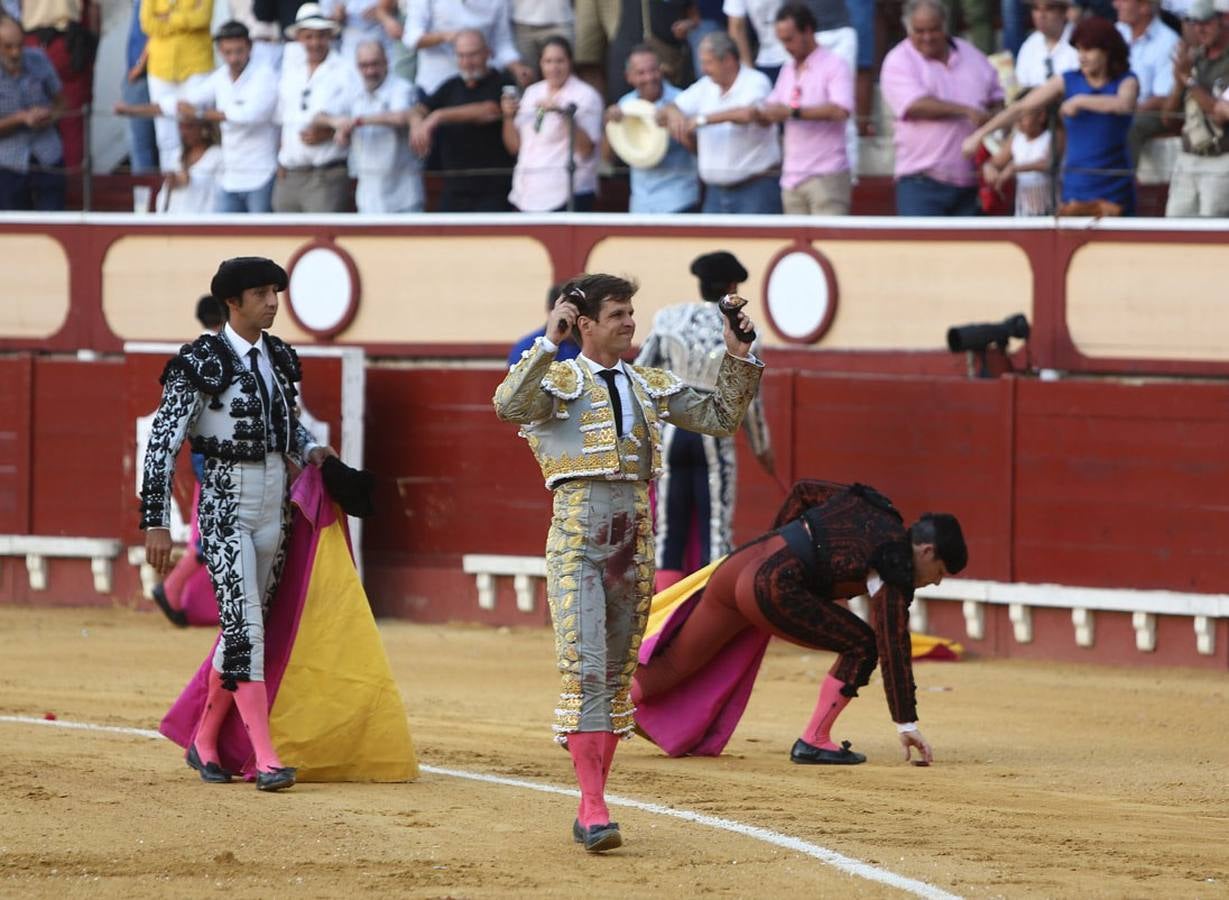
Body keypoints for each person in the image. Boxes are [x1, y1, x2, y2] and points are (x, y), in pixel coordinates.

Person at [492, 272, 764, 852]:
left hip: (633, 540)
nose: (630, 322)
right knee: (588, 667)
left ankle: (593, 793)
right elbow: (508, 404)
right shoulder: (558, 377)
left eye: (631, 312)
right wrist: (549, 338)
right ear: (585, 323)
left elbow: (720, 417)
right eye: (617, 314)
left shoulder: (648, 383)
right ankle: (593, 807)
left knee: (616, 676)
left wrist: (739, 356)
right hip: (578, 538)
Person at [140, 255, 336, 792]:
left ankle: (205, 739)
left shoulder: (279, 356)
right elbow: (162, 443)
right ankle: (266, 757)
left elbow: (287, 427)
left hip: (274, 506)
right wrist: (156, 520)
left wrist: (315, 451)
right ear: (233, 303)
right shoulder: (199, 361)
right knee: (246, 626)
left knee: (245, 629)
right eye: (262, 294)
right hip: (225, 505)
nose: (273, 302)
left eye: (276, 291)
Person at [632, 480, 968, 766]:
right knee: (863, 644)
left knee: (673, 665)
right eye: (939, 572)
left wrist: (776, 540)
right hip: (775, 585)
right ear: (926, 551)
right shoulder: (896, 563)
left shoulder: (872, 505)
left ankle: (588, 716)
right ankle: (814, 739)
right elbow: (891, 644)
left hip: (740, 564)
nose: (935, 582)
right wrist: (905, 722)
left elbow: (803, 490)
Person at [634, 251, 773, 593]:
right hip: (714, 431)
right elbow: (749, 400)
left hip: (670, 430)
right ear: (732, 287)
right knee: (715, 528)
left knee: (668, 529)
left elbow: (639, 374)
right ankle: (706, 610)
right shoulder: (742, 331)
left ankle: (665, 614)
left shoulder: (669, 319)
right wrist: (762, 449)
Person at [963, 15, 1138, 216]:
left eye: (1088, 50)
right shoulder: (1067, 80)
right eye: (1079, 49)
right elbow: (1021, 108)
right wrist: (979, 135)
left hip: (1114, 184)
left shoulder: (1126, 80)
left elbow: (1124, 104)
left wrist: (1080, 101)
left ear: (1107, 51)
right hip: (1076, 185)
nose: (1082, 56)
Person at [115, 20, 281, 213]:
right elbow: (178, 104)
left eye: (239, 51)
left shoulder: (264, 76)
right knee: (223, 237)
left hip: (260, 175)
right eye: (228, 52)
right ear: (220, 50)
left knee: (259, 238)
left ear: (249, 48)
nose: (234, 58)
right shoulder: (221, 77)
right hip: (231, 178)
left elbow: (249, 115)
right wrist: (131, 110)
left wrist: (200, 113)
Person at [879, 0, 1003, 216]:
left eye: (934, 29)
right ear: (908, 29)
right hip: (921, 182)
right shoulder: (898, 60)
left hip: (970, 181)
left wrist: (993, 116)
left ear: (945, 25)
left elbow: (999, 97)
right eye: (919, 31)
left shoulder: (973, 56)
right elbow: (915, 105)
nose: (927, 37)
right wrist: (966, 111)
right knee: (920, 249)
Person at [662, 30, 782, 214]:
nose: (703, 69)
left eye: (708, 62)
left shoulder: (755, 81)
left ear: (727, 60)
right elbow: (670, 107)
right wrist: (675, 115)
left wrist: (703, 119)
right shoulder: (706, 85)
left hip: (755, 188)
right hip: (715, 192)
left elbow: (747, 114)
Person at [758, 3, 855, 215]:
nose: (786, 46)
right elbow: (773, 105)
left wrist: (793, 112)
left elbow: (841, 110)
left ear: (808, 31)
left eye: (790, 39)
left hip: (826, 174)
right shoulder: (788, 69)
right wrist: (763, 114)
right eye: (782, 40)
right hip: (792, 176)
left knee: (829, 246)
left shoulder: (835, 65)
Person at [410, 29, 516, 212]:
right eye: (461, 56)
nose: (467, 62)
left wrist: (438, 116)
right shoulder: (451, 85)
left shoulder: (502, 81)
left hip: (493, 192)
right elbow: (419, 108)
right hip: (454, 191)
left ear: (487, 53)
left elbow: (489, 110)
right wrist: (416, 123)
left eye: (473, 55)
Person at [501, 35, 603, 212]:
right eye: (548, 61)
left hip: (566, 195)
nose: (553, 68)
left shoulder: (586, 95)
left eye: (559, 61)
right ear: (540, 64)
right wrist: (508, 117)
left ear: (570, 62)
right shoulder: (533, 92)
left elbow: (586, 149)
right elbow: (514, 147)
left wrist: (563, 114)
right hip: (525, 194)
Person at [319, 40, 422, 213]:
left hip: (404, 196)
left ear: (386, 62)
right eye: (364, 66)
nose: (370, 71)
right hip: (368, 198)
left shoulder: (401, 87)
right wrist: (339, 124)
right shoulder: (354, 90)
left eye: (375, 64)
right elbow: (318, 116)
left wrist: (358, 121)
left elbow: (401, 117)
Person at [273, 3, 355, 213]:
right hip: (289, 173)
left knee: (322, 240)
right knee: (285, 242)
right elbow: (283, 119)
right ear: (299, 38)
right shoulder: (291, 71)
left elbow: (353, 116)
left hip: (325, 174)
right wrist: (280, 161)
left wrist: (330, 132)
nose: (315, 42)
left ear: (329, 36)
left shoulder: (345, 69)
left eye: (320, 36)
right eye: (309, 36)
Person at [605, 43, 699, 213]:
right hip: (641, 203)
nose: (649, 77)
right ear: (629, 77)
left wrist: (674, 126)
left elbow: (698, 150)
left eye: (653, 70)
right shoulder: (626, 104)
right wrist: (609, 124)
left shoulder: (682, 100)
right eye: (641, 73)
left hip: (679, 198)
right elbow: (607, 157)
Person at [1163, 0, 1229, 216]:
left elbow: (1220, 114)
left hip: (1221, 159)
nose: (1200, 29)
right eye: (1194, 23)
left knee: (1213, 229)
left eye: (1206, 22)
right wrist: (1178, 83)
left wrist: (1189, 81)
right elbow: (1167, 119)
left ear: (1223, 20)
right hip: (1188, 157)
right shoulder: (1192, 60)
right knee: (1174, 227)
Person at [19, 0, 97, 176]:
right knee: (73, 120)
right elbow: (93, 9)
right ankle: (74, 191)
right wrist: (91, 50)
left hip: (31, 41)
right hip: (67, 43)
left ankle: (34, 189)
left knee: (32, 118)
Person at [141, 0, 215, 172]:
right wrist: (185, 20)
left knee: (198, 128)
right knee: (165, 135)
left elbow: (202, 18)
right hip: (160, 68)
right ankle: (173, 184)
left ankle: (202, 187)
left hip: (196, 64)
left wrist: (167, 18)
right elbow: (148, 24)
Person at [0, 16, 65, 211]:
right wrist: (20, 119)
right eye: (8, 47)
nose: (15, 53)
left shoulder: (39, 59)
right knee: (13, 230)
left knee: (54, 223)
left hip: (47, 154)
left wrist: (48, 115)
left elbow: (62, 103)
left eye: (20, 46)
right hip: (8, 162)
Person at [403, 0, 530, 97]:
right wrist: (444, 37)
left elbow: (502, 43)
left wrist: (517, 68)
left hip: (482, 83)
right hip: (436, 84)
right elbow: (411, 38)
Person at [1115, 0, 1180, 166]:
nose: (1116, 4)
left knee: (1131, 124)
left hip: (1150, 111)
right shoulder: (1117, 32)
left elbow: (1163, 97)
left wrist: (1127, 109)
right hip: (1116, 104)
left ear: (1144, 6)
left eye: (1123, 0)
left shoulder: (1168, 41)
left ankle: (1122, 182)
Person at [980, 90, 1058, 215]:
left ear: (1041, 116)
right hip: (1024, 210)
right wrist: (989, 168)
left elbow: (1050, 163)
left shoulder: (1052, 137)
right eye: (1017, 116)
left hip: (1050, 208)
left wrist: (1015, 168)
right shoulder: (1017, 139)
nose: (1019, 121)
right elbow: (995, 162)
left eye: (1024, 116)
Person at [155, 116, 222, 212]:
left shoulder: (217, 155)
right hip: (172, 219)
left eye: (189, 127)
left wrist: (190, 181)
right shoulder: (176, 155)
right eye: (181, 127)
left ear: (204, 129)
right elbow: (163, 195)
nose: (184, 132)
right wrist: (171, 182)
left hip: (202, 220)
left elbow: (219, 192)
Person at [507, 282, 581, 366]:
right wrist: (549, 343)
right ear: (551, 311)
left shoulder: (590, 344)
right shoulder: (527, 348)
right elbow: (519, 378)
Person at [123, 0, 158, 173]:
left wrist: (138, 66)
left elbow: (157, 28)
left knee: (142, 147)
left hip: (145, 75)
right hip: (142, 73)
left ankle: (145, 199)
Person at [1014, 0, 1079, 89]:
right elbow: (1021, 84)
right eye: (1036, 8)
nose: (1041, 15)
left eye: (1049, 9)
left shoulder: (1080, 40)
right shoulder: (1029, 44)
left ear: (1064, 12)